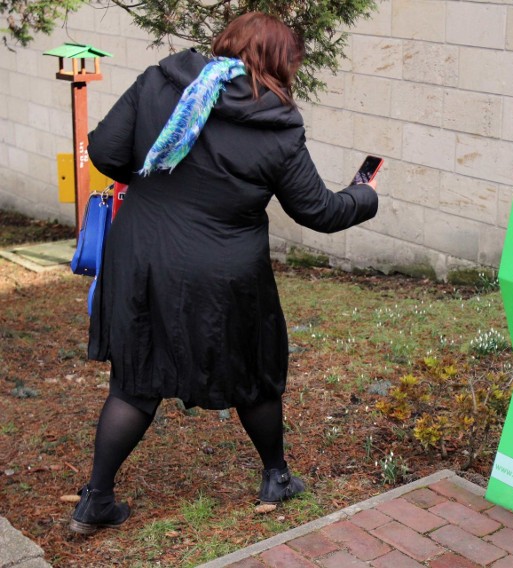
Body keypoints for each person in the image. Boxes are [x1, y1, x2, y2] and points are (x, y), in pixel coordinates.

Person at [68, 12, 379, 535]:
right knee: (253, 370)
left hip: (142, 253)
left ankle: (96, 500)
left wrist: (156, 183)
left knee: (135, 380)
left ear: (227, 42)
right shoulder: (277, 123)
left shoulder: (162, 81)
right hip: (224, 270)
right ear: (282, 63)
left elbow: (104, 150)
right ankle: (276, 477)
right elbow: (318, 211)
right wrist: (365, 195)